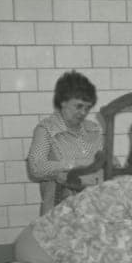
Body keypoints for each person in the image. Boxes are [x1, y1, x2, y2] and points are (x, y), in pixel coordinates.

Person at [27, 70, 104, 216]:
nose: (83, 112)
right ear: (63, 101)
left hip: (93, 212)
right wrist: (75, 164)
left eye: (87, 108)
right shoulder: (46, 129)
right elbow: (35, 167)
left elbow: (100, 167)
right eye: (78, 106)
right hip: (60, 213)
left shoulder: (93, 129)